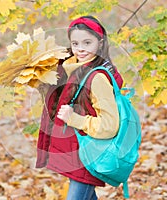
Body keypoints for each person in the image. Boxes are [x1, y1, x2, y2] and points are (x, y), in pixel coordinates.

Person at [35, 16, 123, 200]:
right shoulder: (68, 67)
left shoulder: (96, 77)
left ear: (100, 43)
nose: (80, 49)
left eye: (87, 42)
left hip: (88, 155)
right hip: (75, 154)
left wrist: (75, 119)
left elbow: (110, 125)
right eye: (75, 43)